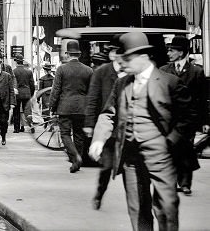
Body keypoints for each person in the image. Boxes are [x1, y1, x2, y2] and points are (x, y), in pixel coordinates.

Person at [90, 32, 194, 231]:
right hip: (131, 158)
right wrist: (98, 140)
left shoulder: (169, 82)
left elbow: (188, 117)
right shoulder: (121, 84)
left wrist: (170, 141)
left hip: (162, 157)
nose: (122, 64)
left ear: (143, 57)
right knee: (137, 209)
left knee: (165, 209)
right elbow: (108, 114)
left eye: (127, 59)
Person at [159, 35, 206, 196]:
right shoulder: (164, 70)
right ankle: (171, 183)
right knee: (170, 150)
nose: (169, 53)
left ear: (181, 52)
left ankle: (185, 183)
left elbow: (202, 99)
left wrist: (205, 121)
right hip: (168, 119)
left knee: (186, 150)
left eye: (172, 50)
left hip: (188, 119)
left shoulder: (196, 72)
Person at [85, 48, 126, 210]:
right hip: (108, 129)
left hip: (128, 133)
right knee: (107, 166)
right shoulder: (102, 72)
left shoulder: (131, 74)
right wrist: (89, 124)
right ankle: (99, 193)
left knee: (130, 171)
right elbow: (93, 98)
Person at [50, 40, 93, 173]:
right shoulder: (88, 70)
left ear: (68, 54)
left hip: (65, 107)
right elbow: (91, 92)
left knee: (65, 134)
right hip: (82, 107)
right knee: (79, 135)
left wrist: (52, 106)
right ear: (78, 55)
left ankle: (75, 158)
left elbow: (55, 90)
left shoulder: (61, 69)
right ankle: (76, 162)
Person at [12, 59, 36, 134]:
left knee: (16, 111)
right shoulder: (29, 71)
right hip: (26, 93)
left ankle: (16, 128)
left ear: (16, 62)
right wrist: (31, 94)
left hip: (17, 93)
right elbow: (32, 84)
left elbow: (12, 84)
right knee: (27, 110)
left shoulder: (14, 71)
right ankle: (30, 124)